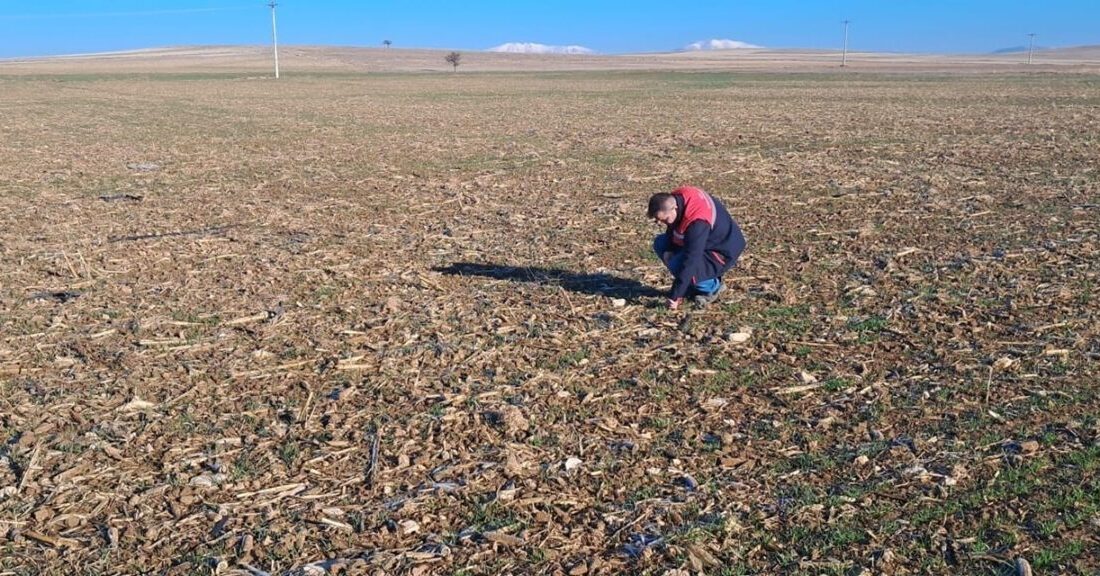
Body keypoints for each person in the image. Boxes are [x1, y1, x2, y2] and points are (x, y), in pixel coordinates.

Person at [647, 185, 746, 309]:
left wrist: (675, 296)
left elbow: (691, 259)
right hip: (703, 240)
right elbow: (674, 228)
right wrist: (670, 249)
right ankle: (688, 283)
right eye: (659, 220)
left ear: (674, 208)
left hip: (722, 248)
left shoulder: (697, 223)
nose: (662, 223)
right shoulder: (679, 197)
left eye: (665, 219)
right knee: (661, 244)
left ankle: (713, 286)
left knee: (682, 266)